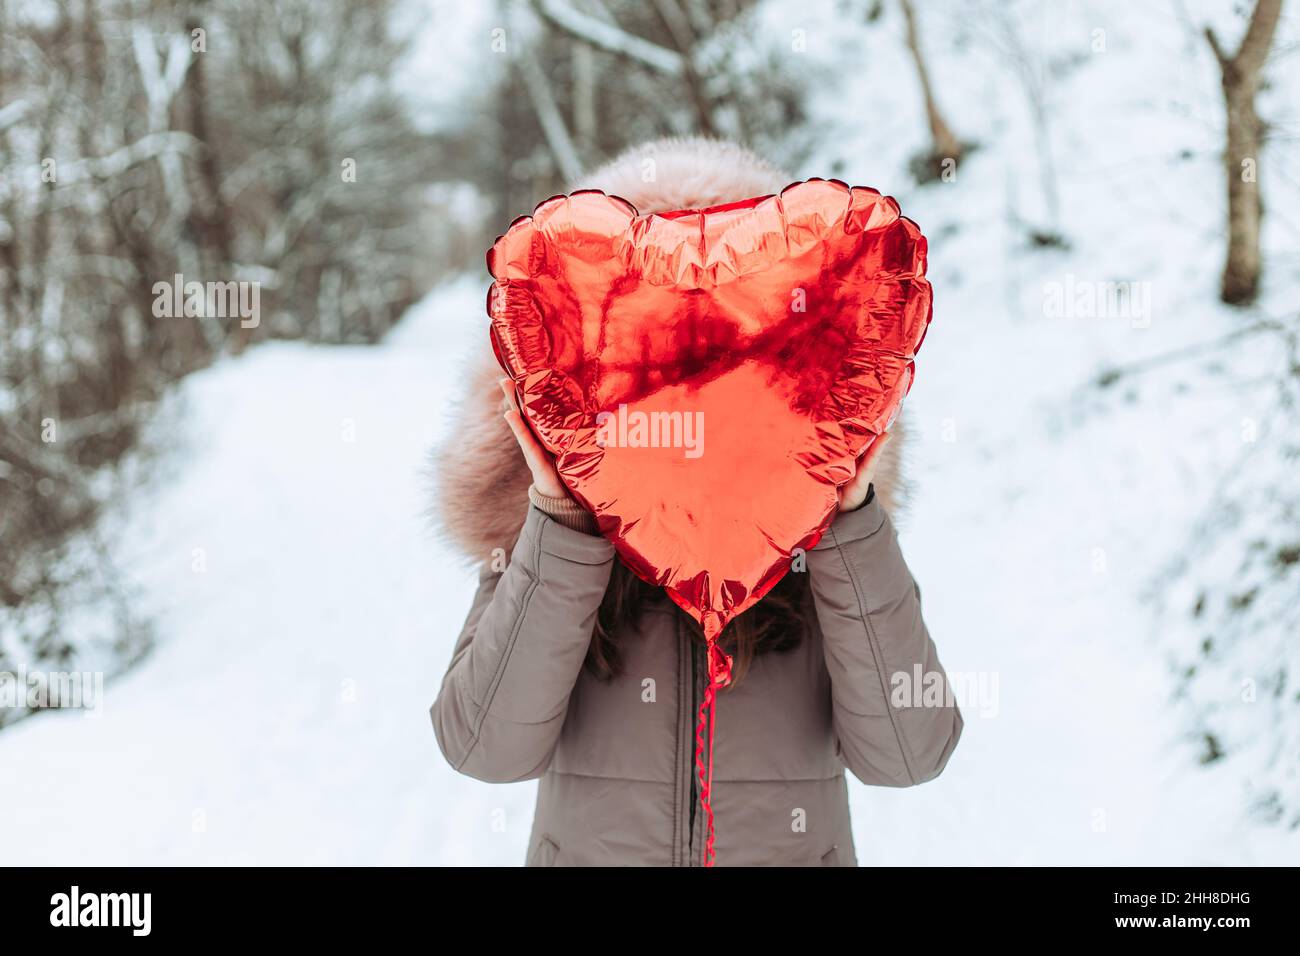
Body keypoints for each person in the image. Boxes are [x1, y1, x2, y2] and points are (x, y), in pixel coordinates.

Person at [431, 138, 962, 866]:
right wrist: (561, 523)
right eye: (650, 355)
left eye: (717, 350)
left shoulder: (818, 549)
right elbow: (483, 746)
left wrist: (846, 523)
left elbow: (911, 750)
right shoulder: (548, 543)